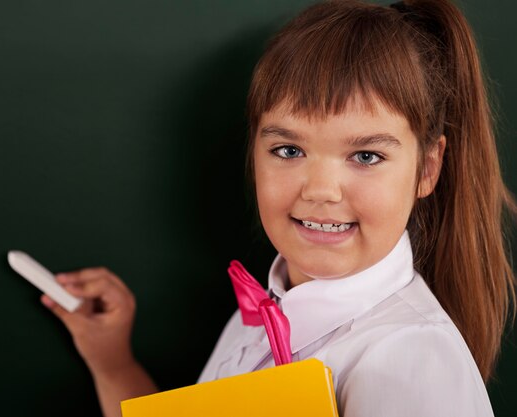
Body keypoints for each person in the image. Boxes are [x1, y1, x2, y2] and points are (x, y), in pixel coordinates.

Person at [40, 0, 517, 416]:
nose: (321, 190)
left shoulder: (409, 362)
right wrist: (113, 363)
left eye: (366, 156)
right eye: (288, 150)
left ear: (428, 168)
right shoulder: (261, 312)